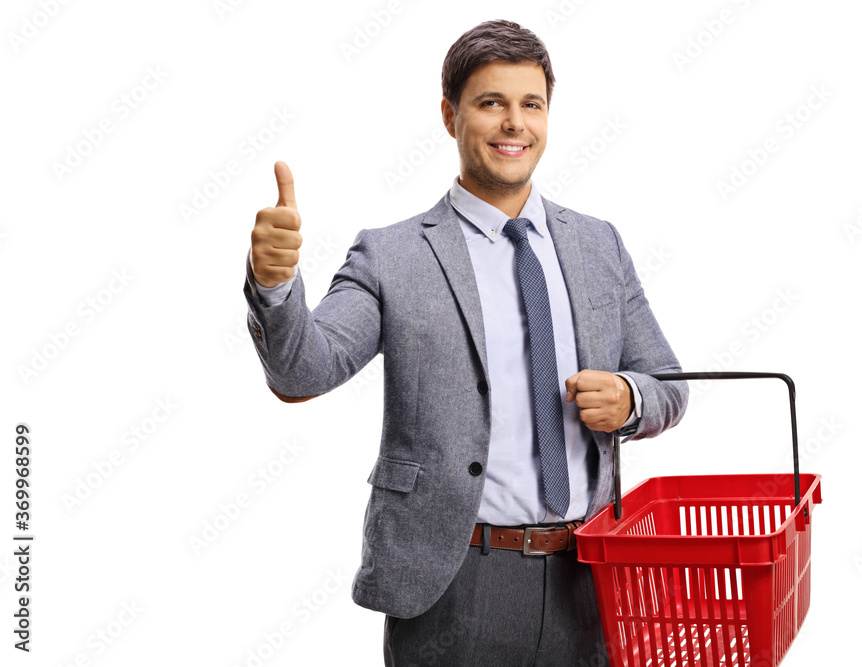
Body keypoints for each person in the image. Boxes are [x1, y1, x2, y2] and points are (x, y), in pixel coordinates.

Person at [243, 19, 688, 666]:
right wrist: (275, 282)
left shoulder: (599, 245)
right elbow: (304, 370)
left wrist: (630, 396)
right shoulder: (392, 255)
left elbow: (670, 384)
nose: (514, 123)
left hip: (589, 578)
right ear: (451, 116)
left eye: (530, 104)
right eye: (490, 103)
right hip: (453, 581)